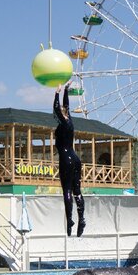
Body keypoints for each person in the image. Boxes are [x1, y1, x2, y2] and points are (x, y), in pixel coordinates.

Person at [53, 81, 85, 237]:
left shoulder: (62, 123)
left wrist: (56, 93)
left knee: (66, 190)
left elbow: (56, 107)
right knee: (77, 190)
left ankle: (70, 220)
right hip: (75, 158)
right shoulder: (70, 121)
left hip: (66, 159)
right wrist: (66, 89)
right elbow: (65, 106)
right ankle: (82, 218)